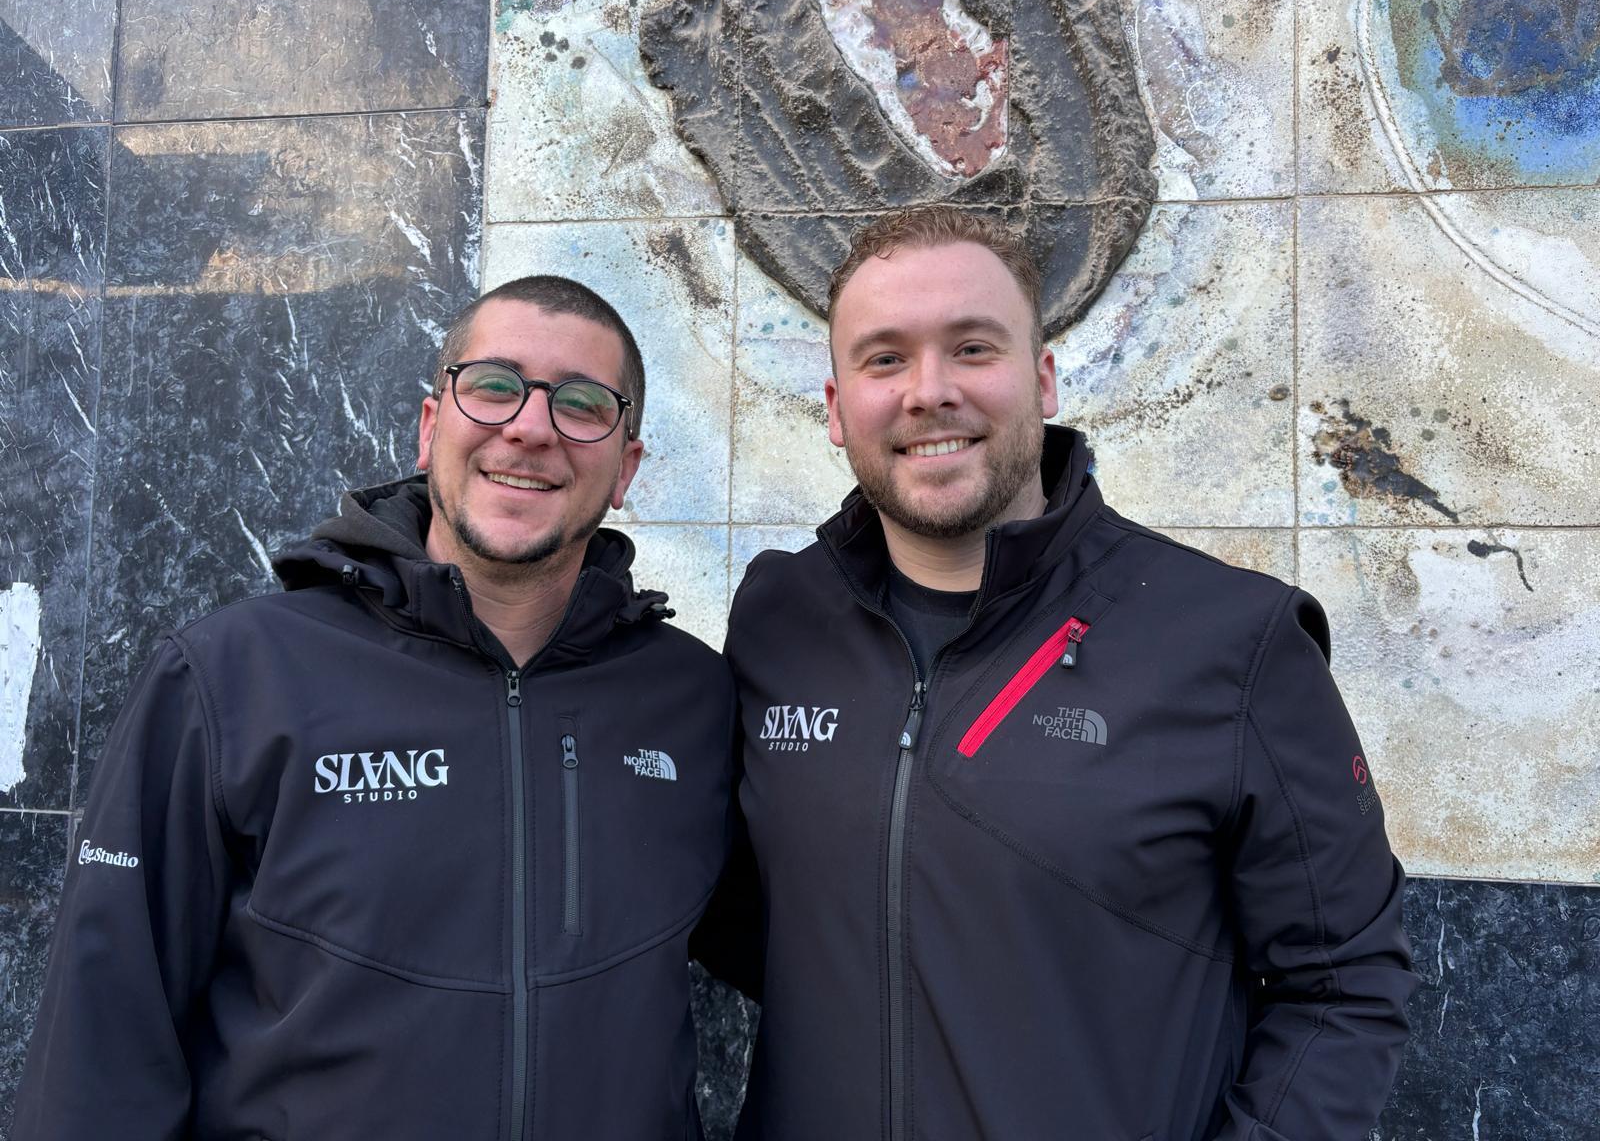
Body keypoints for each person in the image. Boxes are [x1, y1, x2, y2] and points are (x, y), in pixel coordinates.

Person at [708, 206, 1418, 1140]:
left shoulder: (1234, 642)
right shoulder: (779, 619)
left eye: (973, 348)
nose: (929, 391)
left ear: (1042, 379)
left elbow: (1345, 982)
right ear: (838, 408)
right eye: (885, 359)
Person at [15, 276, 735, 1139]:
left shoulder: (690, 699)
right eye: (494, 386)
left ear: (626, 468)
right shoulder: (236, 674)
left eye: (582, 404)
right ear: (431, 428)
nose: (531, 427)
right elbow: (102, 1037)